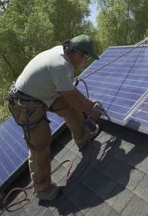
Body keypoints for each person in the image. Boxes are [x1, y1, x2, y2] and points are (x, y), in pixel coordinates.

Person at [7, 35, 102, 201]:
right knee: (40, 143)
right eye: (85, 58)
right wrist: (90, 110)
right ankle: (41, 188)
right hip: (26, 104)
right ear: (78, 53)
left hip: (43, 95)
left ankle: (83, 138)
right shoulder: (60, 65)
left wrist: (88, 103)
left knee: (70, 108)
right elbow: (70, 96)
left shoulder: (63, 54)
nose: (85, 62)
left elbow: (70, 92)